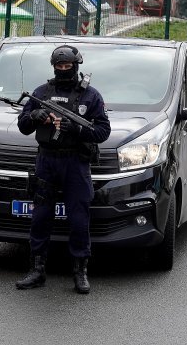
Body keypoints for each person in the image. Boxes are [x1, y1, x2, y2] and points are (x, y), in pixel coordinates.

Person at [15, 45, 111, 294]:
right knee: (40, 218)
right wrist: (35, 115)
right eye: (59, 67)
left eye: (68, 67)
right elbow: (23, 126)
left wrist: (76, 129)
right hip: (47, 161)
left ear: (76, 66)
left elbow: (103, 131)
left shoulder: (91, 96)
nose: (63, 70)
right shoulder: (41, 92)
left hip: (75, 163)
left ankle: (80, 272)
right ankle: (37, 270)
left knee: (79, 219)